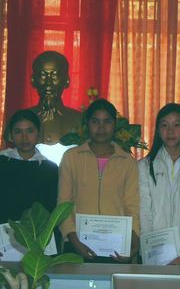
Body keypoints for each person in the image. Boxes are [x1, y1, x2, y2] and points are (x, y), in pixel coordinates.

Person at [58, 99, 140, 263]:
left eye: (107, 121)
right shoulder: (71, 157)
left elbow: (132, 207)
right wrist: (74, 240)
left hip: (116, 247)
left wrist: (133, 241)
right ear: (87, 125)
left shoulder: (127, 162)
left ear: (115, 125)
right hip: (76, 245)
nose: (101, 127)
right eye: (95, 121)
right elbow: (63, 204)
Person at [0, 110, 59, 255]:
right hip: (4, 241)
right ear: (11, 135)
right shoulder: (0, 163)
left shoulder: (50, 168)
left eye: (30, 131)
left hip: (39, 242)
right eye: (18, 132)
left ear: (38, 133)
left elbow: (52, 210)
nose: (24, 137)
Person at [138, 103, 180, 265]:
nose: (170, 131)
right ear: (158, 130)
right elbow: (144, 212)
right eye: (164, 125)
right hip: (151, 253)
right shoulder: (144, 166)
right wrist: (152, 250)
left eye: (176, 125)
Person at [28, 51, 83, 146]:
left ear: (67, 80)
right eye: (43, 75)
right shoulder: (19, 121)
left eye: (55, 76)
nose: (48, 83)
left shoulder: (80, 121)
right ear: (33, 80)